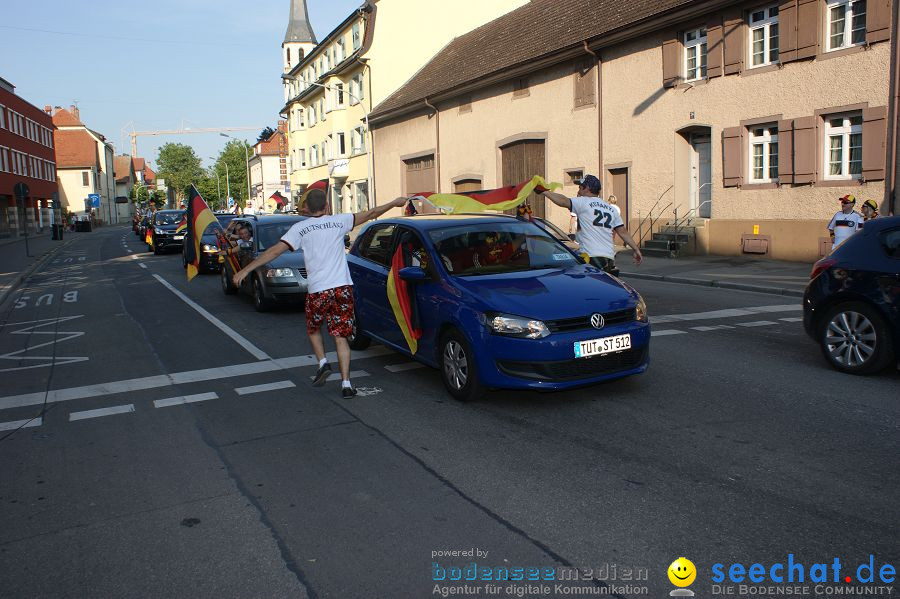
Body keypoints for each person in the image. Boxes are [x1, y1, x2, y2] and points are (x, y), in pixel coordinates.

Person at [233, 192, 409, 398]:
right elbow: (372, 213)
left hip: (318, 290)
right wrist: (395, 202)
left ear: (307, 207)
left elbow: (274, 251)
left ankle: (323, 362)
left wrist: (245, 270)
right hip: (342, 287)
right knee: (341, 336)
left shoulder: (300, 228)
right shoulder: (340, 221)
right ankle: (346, 384)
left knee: (313, 328)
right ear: (327, 205)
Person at [539, 174, 643, 272]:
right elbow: (623, 232)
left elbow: (563, 201)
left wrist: (544, 191)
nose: (578, 191)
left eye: (580, 187)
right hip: (609, 258)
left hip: (591, 257)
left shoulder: (583, 201)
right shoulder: (611, 209)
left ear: (587, 188)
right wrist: (636, 249)